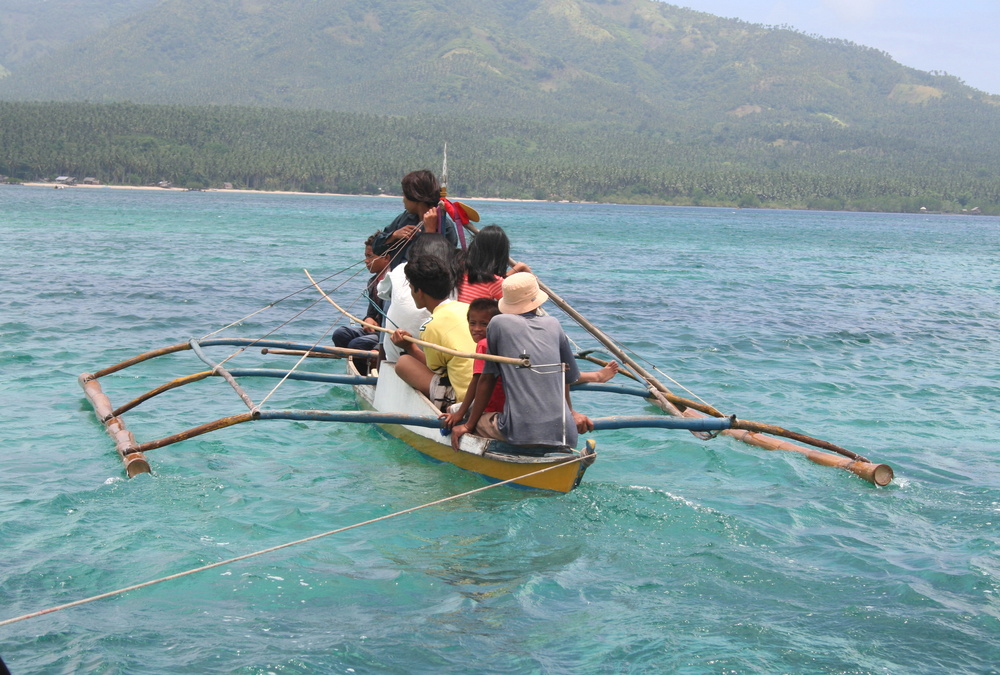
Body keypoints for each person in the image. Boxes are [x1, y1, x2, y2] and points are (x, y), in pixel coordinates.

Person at [451, 272, 594, 451]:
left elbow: (486, 380)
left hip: (519, 431)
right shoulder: (554, 323)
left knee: (472, 418)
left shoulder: (498, 323)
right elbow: (565, 375)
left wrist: (467, 425)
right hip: (566, 433)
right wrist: (570, 413)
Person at [441, 297, 619, 432]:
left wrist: (466, 421)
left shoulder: (485, 344)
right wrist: (569, 411)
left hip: (497, 412)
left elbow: (480, 383)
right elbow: (562, 373)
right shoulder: (537, 332)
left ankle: (595, 376)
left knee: (450, 410)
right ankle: (595, 376)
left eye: (483, 324)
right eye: (472, 323)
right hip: (526, 410)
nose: (477, 329)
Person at [390, 253, 475, 411]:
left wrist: (411, 348)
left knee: (403, 363)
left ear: (419, 291)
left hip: (462, 399)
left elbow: (435, 370)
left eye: (411, 288)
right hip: (484, 392)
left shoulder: (431, 325)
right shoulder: (467, 308)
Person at [372, 169, 459, 269]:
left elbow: (438, 268)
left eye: (405, 195)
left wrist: (430, 233)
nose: (403, 200)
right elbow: (376, 248)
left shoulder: (444, 227)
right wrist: (394, 236)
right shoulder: (405, 218)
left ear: (415, 198)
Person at [332, 232, 389, 375]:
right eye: (366, 256)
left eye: (369, 256)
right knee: (341, 334)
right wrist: (367, 320)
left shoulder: (393, 283)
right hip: (375, 331)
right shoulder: (373, 282)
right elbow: (371, 314)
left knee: (357, 344)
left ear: (386, 258)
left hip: (387, 335)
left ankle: (368, 376)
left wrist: (377, 346)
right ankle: (364, 366)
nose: (366, 261)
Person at [455, 224, 531, 303]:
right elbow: (518, 303)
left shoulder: (457, 264)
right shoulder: (494, 282)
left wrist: (516, 269)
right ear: (501, 254)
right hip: (470, 315)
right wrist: (524, 269)